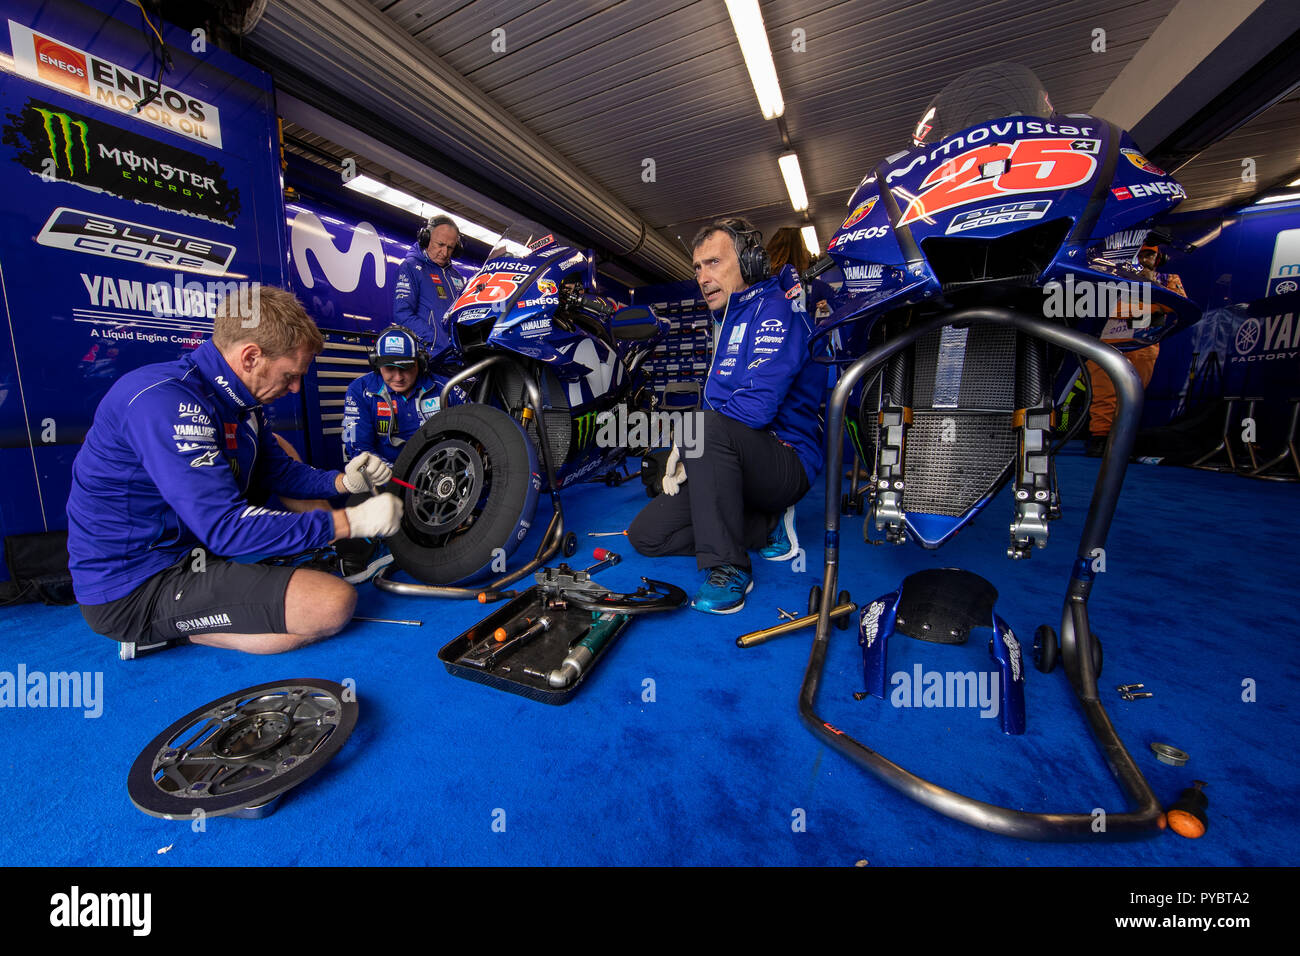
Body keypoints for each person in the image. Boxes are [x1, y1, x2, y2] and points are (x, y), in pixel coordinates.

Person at [67, 285, 404, 657]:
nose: (295, 389)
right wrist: (350, 522)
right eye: (291, 375)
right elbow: (226, 528)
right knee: (331, 603)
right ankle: (164, 631)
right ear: (250, 357)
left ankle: (313, 557)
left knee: (273, 448)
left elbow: (279, 471)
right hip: (133, 587)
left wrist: (344, 481)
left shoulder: (239, 402)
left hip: (192, 554)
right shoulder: (165, 402)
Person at [627, 218, 825, 614]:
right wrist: (685, 453)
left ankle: (730, 567)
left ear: (750, 263)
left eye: (714, 263)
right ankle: (766, 528)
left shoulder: (776, 308)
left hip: (786, 460)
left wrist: (691, 441)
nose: (703, 277)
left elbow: (757, 407)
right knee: (646, 536)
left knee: (702, 427)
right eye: (698, 268)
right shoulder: (728, 318)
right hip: (732, 456)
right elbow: (714, 406)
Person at [1085, 241, 1186, 456]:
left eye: (1149, 255)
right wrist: (1153, 308)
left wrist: (1151, 296)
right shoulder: (1109, 276)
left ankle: (1122, 440)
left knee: (1133, 395)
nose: (1143, 259)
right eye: (1139, 254)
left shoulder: (1168, 280)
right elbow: (1105, 307)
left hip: (1144, 347)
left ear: (1159, 259)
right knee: (1104, 395)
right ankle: (1100, 439)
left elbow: (1177, 305)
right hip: (1108, 344)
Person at [341, 325, 469, 466]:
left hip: (442, 470)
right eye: (389, 368)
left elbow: (476, 426)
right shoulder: (360, 390)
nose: (398, 377)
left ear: (420, 363)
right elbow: (358, 449)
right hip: (388, 477)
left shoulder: (445, 387)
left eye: (406, 368)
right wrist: (391, 477)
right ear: (376, 365)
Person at [394, 214, 467, 366]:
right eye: (440, 244)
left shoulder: (457, 277)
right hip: (429, 357)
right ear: (426, 239)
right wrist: (436, 341)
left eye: (450, 247)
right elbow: (402, 314)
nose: (444, 252)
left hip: (455, 360)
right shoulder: (411, 267)